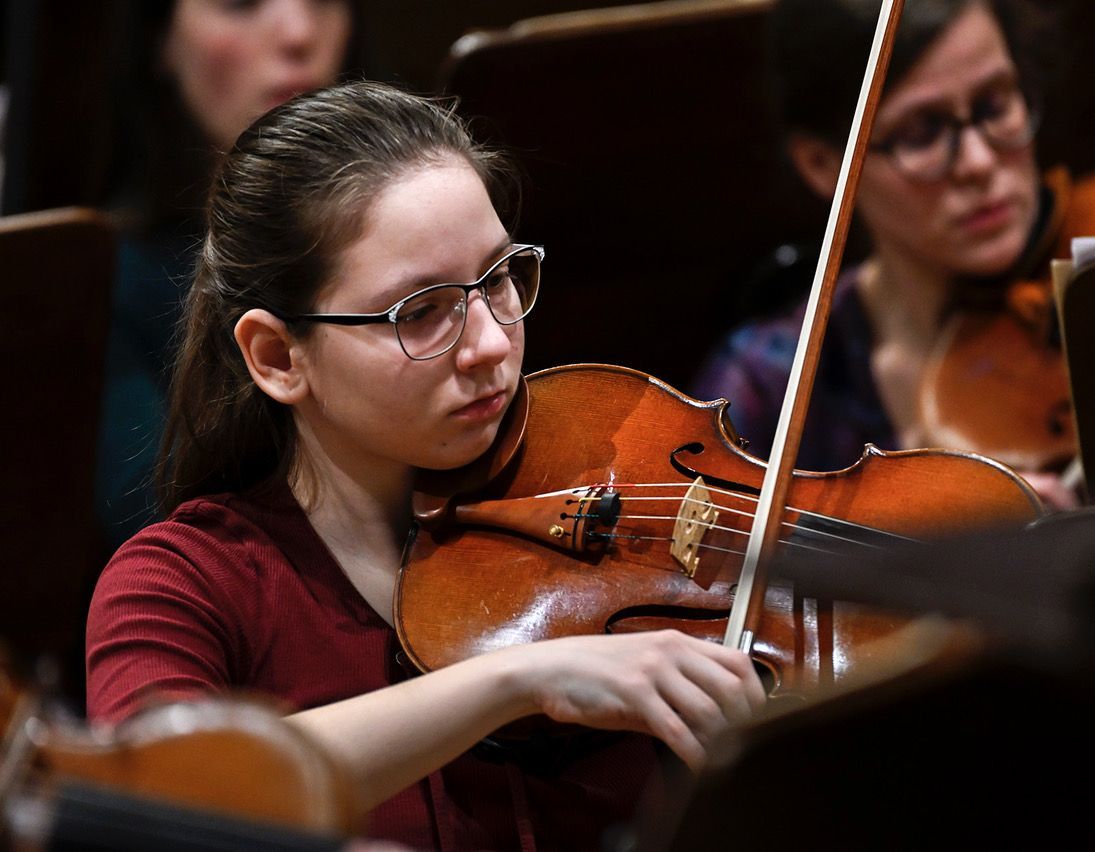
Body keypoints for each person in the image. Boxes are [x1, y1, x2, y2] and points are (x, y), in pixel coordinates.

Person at [85, 81, 766, 850]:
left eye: (498, 278)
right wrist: (517, 681)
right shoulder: (181, 585)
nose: (489, 345)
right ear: (277, 357)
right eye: (420, 312)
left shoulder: (597, 495)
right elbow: (148, 809)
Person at [693, 0, 1095, 508]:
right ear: (824, 163)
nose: (979, 162)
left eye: (995, 104)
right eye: (921, 133)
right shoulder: (769, 387)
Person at [96, 0, 355, 551]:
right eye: (240, 4)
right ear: (158, 40)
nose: (300, 32)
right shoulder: (102, 285)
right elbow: (164, 533)